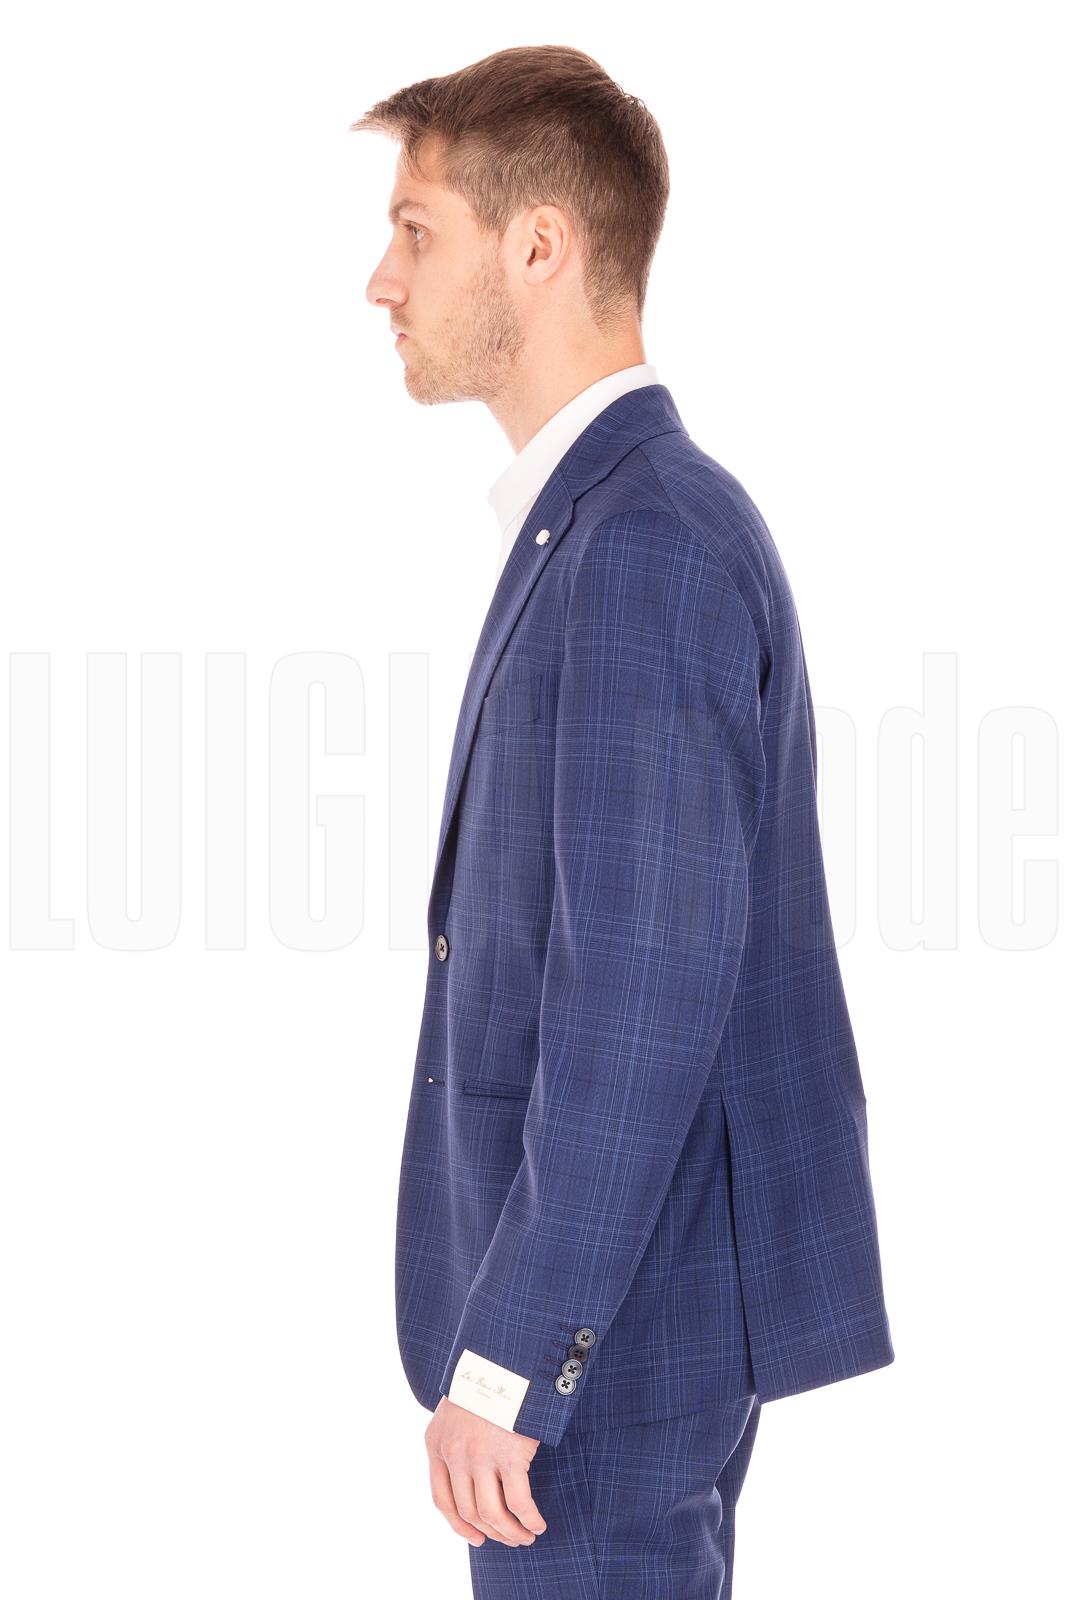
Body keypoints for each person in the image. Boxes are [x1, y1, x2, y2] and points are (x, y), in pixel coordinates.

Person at [354, 44, 894, 1599]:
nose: (381, 281)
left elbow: (639, 997)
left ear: (540, 245)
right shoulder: (602, 522)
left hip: (611, 1345)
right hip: (627, 1313)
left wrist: (513, 1361)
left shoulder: (644, 541)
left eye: (416, 231)